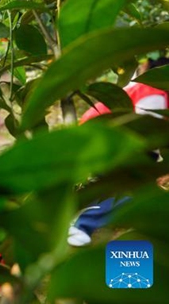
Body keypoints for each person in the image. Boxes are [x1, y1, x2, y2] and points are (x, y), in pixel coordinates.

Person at [67, 57, 169, 247]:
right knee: (134, 191)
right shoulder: (154, 95)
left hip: (101, 139)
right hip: (100, 140)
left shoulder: (146, 89)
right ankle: (82, 227)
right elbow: (145, 133)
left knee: (120, 189)